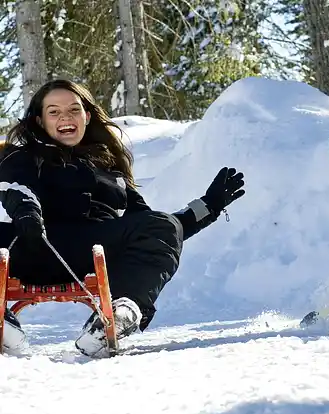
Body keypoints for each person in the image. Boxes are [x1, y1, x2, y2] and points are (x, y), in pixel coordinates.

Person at [0, 79, 246, 357]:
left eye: (73, 109)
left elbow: (156, 228)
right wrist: (27, 213)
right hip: (34, 243)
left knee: (160, 225)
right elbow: (17, 188)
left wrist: (209, 206)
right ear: (40, 121)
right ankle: (3, 324)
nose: (65, 117)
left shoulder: (108, 168)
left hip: (96, 249)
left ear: (87, 116)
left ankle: (120, 314)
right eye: (54, 111)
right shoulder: (22, 157)